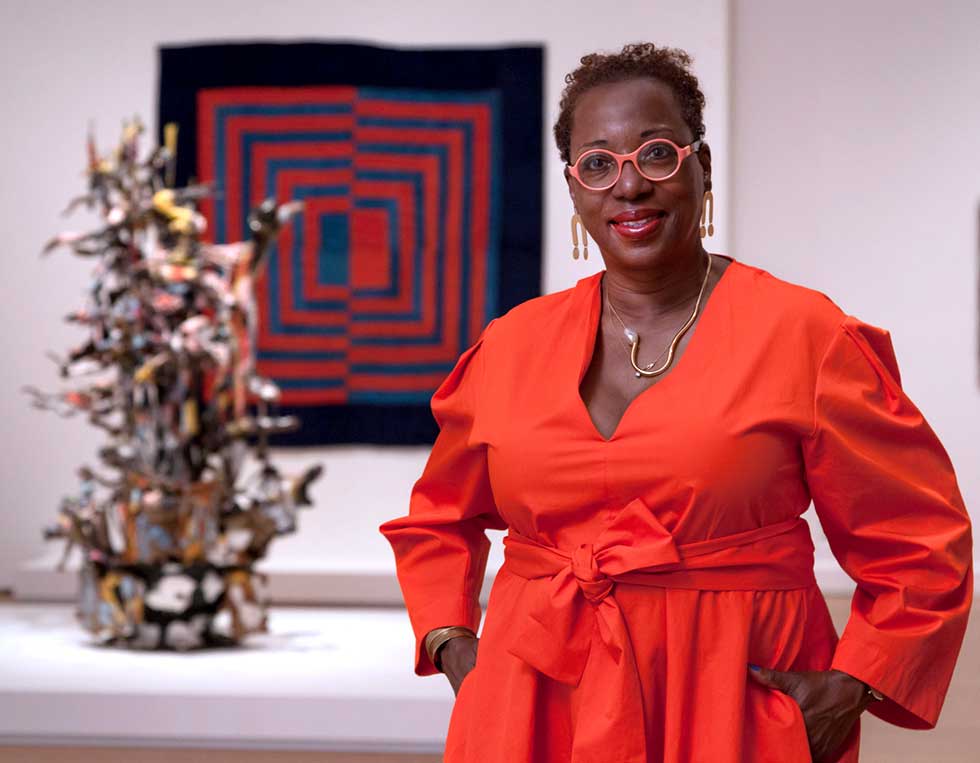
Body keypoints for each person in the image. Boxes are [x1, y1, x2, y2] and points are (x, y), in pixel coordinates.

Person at [378, 43, 972, 763]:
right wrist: (454, 644)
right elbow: (437, 516)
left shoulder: (804, 336)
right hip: (536, 704)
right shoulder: (510, 346)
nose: (628, 186)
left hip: (733, 706)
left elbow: (920, 539)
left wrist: (856, 684)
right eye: (597, 163)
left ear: (702, 168)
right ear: (573, 192)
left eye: (655, 154)